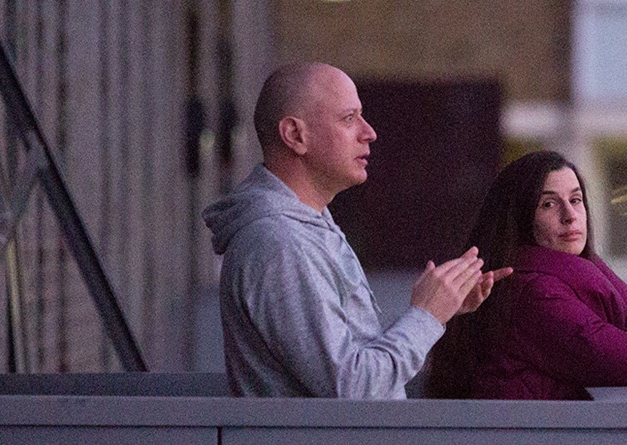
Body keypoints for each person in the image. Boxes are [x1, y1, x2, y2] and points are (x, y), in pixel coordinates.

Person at [204, 62, 510, 399]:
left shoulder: (306, 226)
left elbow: (357, 363)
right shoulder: (280, 243)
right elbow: (354, 389)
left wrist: (439, 313)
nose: (369, 132)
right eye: (349, 119)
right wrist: (426, 316)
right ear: (295, 135)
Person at [424, 151, 627, 400]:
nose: (569, 215)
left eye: (575, 200)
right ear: (518, 220)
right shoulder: (533, 295)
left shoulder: (545, 286)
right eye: (548, 204)